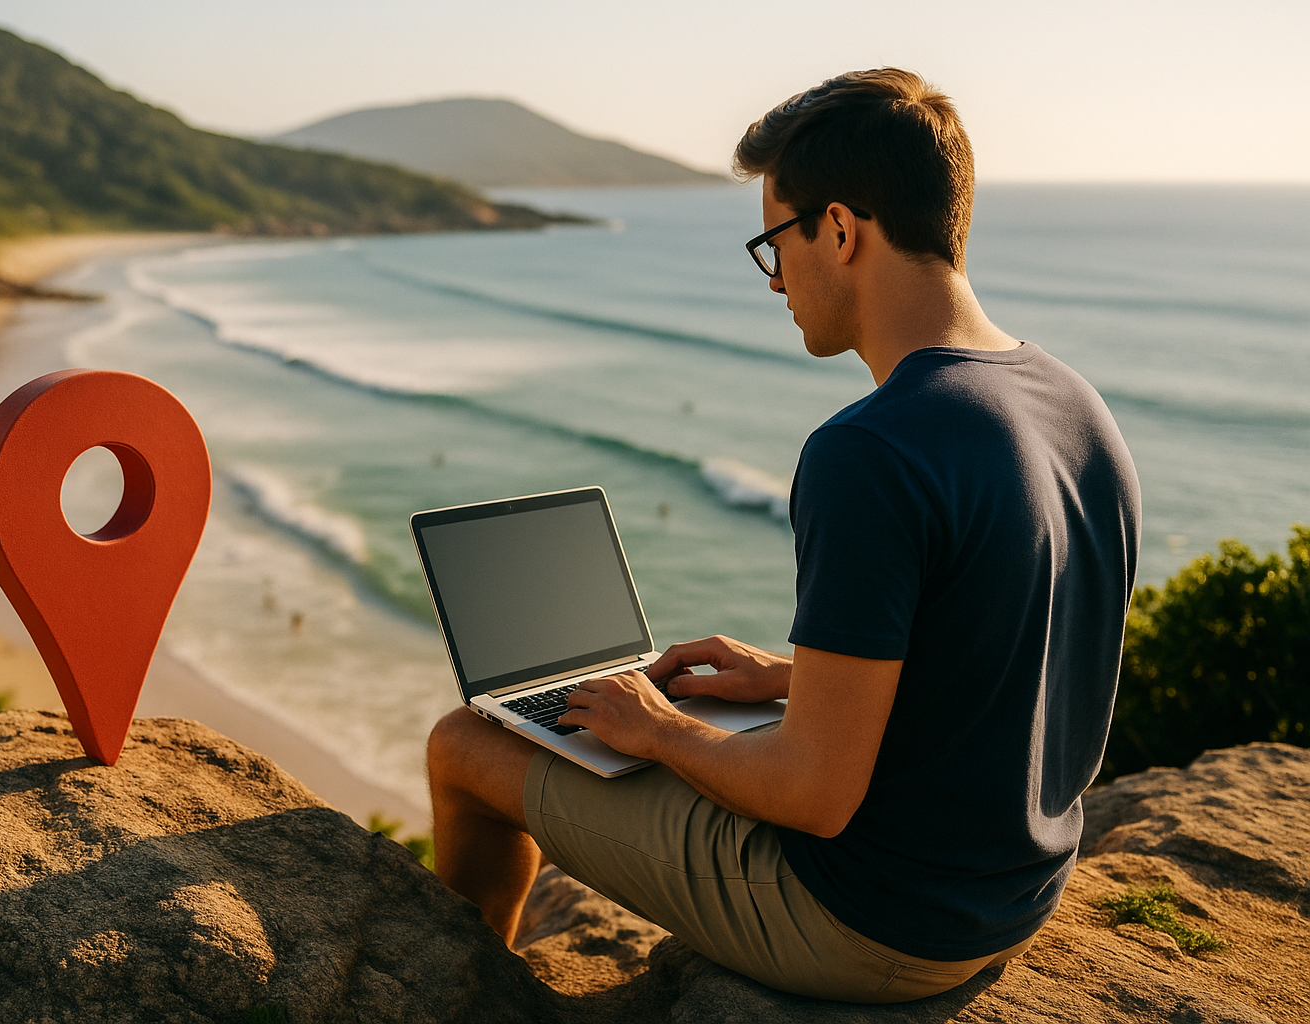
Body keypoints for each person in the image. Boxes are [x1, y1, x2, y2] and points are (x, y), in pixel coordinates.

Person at [425, 68, 1140, 1003]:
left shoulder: (869, 450)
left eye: (775, 243)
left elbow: (814, 795)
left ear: (838, 231)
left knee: (464, 746)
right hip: (1012, 894)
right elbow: (1005, 658)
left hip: (872, 925)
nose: (776, 281)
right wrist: (798, 681)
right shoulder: (1071, 403)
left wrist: (664, 731)